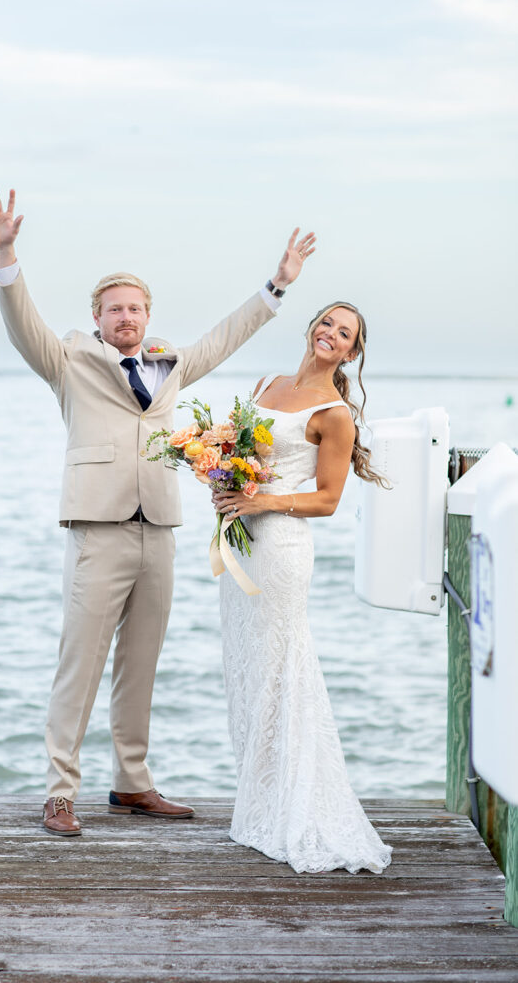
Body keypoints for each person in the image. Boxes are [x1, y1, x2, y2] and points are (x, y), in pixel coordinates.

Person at [0, 187, 317, 837]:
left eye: (135, 308)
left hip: (158, 525)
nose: (126, 318)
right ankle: (59, 793)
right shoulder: (68, 362)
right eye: (114, 310)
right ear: (99, 318)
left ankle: (131, 783)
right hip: (97, 526)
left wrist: (276, 286)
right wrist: (6, 254)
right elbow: (22, 319)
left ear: (146, 315)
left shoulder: (169, 364)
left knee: (142, 659)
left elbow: (224, 337)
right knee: (80, 660)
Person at [212, 296, 393, 873]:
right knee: (245, 669)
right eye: (327, 323)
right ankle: (260, 803)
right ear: (312, 327)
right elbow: (244, 457)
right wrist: (222, 481)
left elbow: (328, 499)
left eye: (345, 333)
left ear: (352, 351)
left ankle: (295, 809)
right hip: (243, 542)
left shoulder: (335, 414)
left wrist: (262, 499)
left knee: (278, 671)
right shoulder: (267, 383)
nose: (332, 334)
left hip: (283, 552)